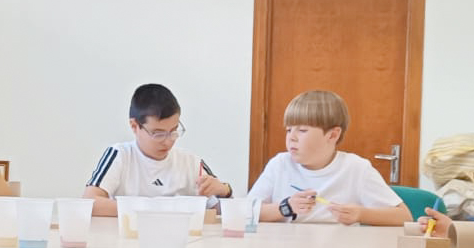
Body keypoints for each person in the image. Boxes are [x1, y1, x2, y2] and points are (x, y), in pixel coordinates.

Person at [249, 90, 408, 226]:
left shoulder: (356, 168)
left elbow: (403, 216)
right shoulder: (280, 164)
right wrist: (285, 208)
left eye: (302, 130)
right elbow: (245, 211)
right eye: (289, 130)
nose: (292, 137)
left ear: (333, 135)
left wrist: (361, 214)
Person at [83, 84, 231, 217]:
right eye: (158, 134)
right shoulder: (120, 155)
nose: (168, 141)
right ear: (135, 126)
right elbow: (90, 203)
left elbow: (222, 211)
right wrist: (156, 209)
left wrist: (224, 190)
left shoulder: (191, 162)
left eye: (173, 131)